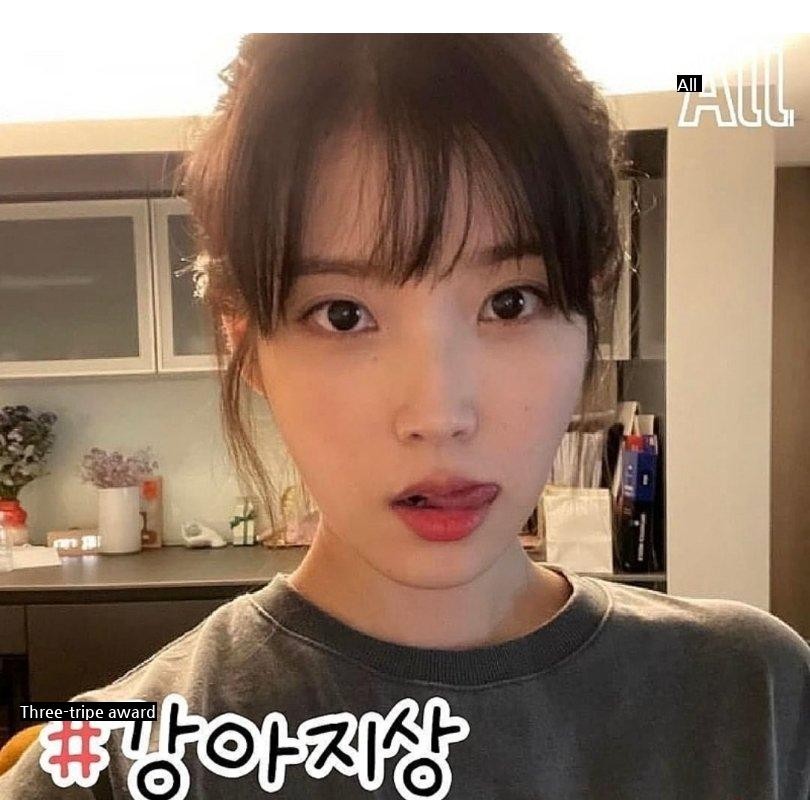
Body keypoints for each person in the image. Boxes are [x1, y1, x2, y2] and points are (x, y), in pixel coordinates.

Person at [2, 33, 808, 800]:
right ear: (244, 341)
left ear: (589, 310)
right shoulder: (113, 767)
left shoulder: (752, 697)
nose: (438, 414)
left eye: (511, 301)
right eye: (343, 314)